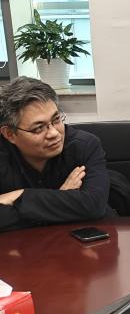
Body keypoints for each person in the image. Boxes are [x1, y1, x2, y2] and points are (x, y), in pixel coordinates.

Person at [0, 77, 110, 231]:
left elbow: (93, 205)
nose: (54, 133)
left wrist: (20, 196)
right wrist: (60, 199)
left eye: (56, 119)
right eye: (38, 128)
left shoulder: (84, 146)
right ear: (10, 134)